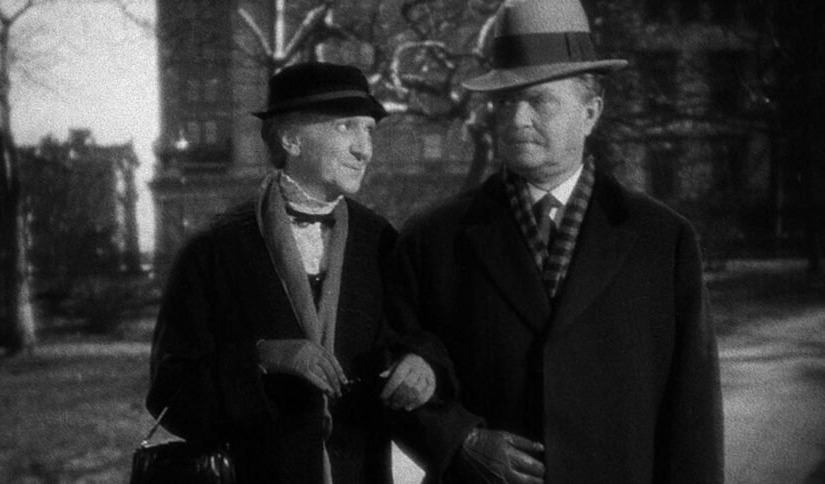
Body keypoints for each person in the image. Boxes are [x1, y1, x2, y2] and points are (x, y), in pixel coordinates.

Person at [387, 0, 724, 483]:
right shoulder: (432, 238)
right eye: (506, 102)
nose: (517, 119)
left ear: (590, 112)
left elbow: (693, 416)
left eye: (539, 101)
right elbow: (389, 368)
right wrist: (461, 442)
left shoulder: (663, 240)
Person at [147, 62, 441, 483]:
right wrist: (263, 358)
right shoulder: (213, 250)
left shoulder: (382, 243)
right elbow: (168, 395)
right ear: (290, 140)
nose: (365, 150)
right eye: (345, 127)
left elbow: (424, 339)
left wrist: (421, 363)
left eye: (369, 130)